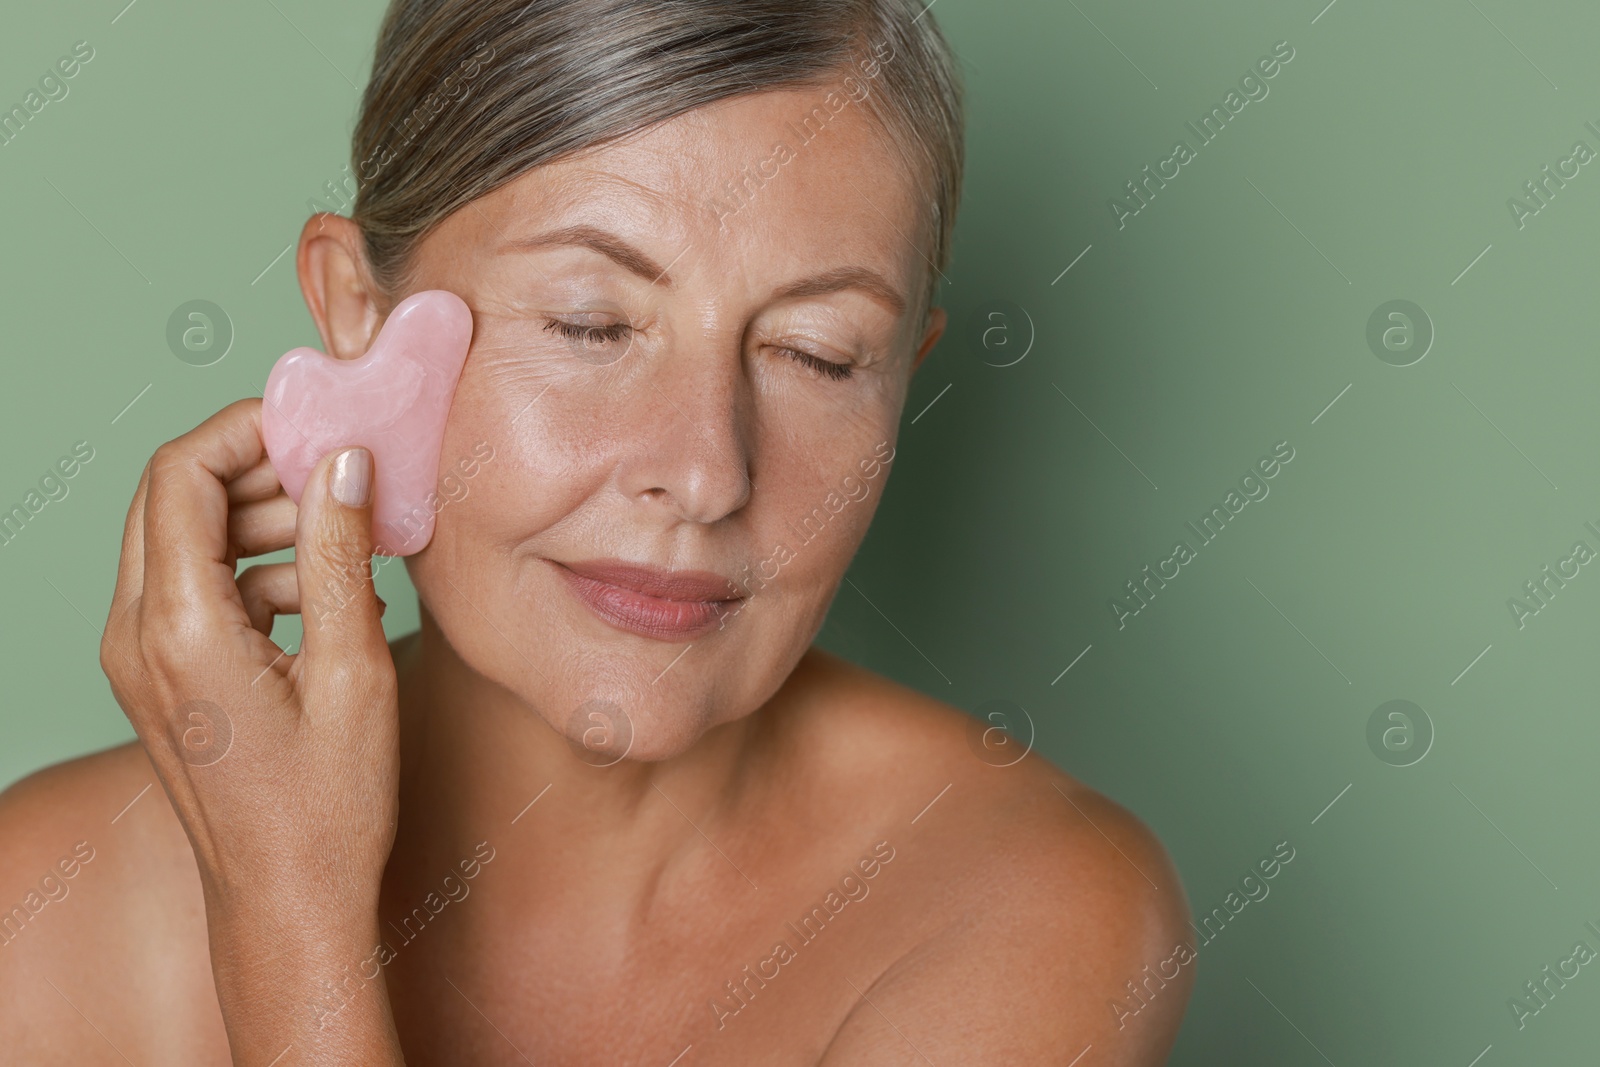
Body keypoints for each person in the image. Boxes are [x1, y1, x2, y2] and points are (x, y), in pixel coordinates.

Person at [0, 1, 1192, 1062]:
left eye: (817, 355)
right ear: (361, 323)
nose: (704, 472)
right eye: (588, 325)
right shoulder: (33, 917)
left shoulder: (1029, 906)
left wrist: (292, 931)